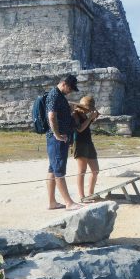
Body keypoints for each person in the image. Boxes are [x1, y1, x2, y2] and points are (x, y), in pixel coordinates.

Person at [45, 74, 80, 210]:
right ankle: (69, 203)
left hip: (57, 138)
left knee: (52, 169)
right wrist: (57, 134)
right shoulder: (54, 95)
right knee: (59, 170)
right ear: (64, 84)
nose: (70, 91)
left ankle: (51, 202)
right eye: (70, 88)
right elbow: (51, 116)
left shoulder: (59, 96)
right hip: (57, 139)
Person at [72, 96, 101, 200]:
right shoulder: (75, 114)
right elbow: (80, 129)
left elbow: (89, 122)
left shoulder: (85, 114)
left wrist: (93, 116)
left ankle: (90, 193)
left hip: (88, 142)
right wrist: (90, 118)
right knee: (82, 170)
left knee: (95, 170)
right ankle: (81, 195)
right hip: (79, 142)